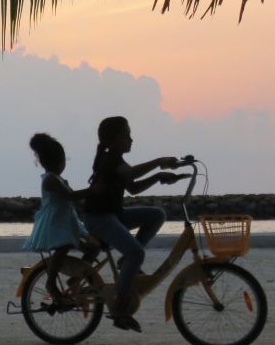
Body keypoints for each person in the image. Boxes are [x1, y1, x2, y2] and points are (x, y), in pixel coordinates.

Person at [82, 117, 186, 332]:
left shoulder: (117, 160)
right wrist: (158, 162)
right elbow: (130, 175)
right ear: (112, 141)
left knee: (156, 214)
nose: (131, 139)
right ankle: (120, 307)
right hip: (99, 218)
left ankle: (126, 262)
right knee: (136, 253)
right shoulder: (110, 159)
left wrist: (158, 177)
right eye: (126, 135)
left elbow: (133, 188)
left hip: (113, 215)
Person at [23, 133, 91, 299]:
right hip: (56, 222)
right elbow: (70, 196)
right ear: (60, 161)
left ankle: (75, 279)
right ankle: (51, 281)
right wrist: (94, 191)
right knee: (63, 247)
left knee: (93, 248)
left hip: (67, 220)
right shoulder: (50, 180)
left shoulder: (56, 178)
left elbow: (71, 198)